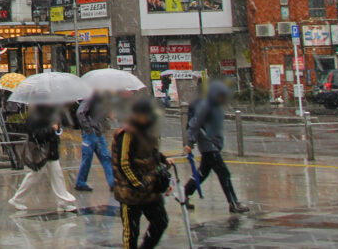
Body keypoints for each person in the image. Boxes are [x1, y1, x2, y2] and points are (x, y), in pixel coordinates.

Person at [112, 98, 171, 249]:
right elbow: (124, 163)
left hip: (150, 189)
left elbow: (152, 152)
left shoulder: (148, 131)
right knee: (131, 233)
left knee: (160, 221)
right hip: (130, 192)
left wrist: (163, 160)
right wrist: (138, 184)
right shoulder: (126, 134)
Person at [184, 80, 249, 213]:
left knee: (202, 173)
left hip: (213, 145)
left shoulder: (213, 106)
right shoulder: (206, 106)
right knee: (224, 174)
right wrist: (190, 143)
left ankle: (184, 194)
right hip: (209, 146)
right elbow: (194, 124)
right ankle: (233, 203)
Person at [8, 105, 77, 212]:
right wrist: (51, 128)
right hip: (42, 152)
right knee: (37, 176)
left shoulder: (50, 116)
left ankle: (63, 202)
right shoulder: (35, 118)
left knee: (55, 176)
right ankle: (18, 199)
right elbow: (36, 135)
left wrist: (57, 129)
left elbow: (56, 132)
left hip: (50, 152)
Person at [74, 93, 115, 192]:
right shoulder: (91, 98)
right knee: (88, 158)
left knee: (106, 157)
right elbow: (80, 113)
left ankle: (112, 183)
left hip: (97, 133)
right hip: (91, 134)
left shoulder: (100, 99)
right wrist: (88, 129)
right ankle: (80, 182)